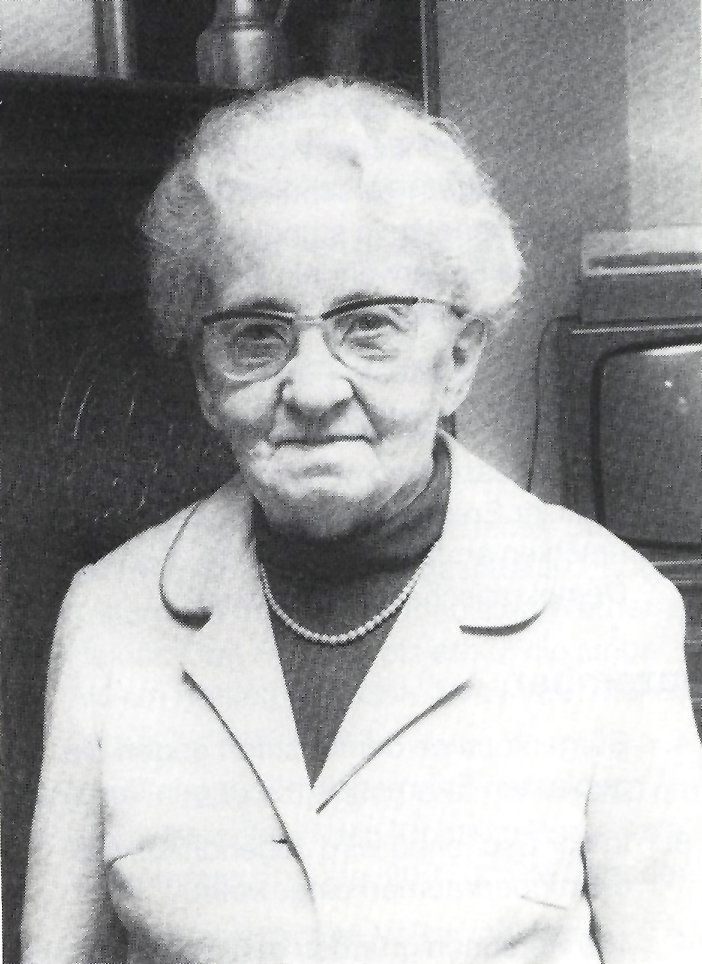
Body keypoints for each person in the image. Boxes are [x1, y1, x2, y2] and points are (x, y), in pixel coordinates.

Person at [22, 78, 702, 964]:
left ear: (459, 358)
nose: (311, 388)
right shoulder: (110, 618)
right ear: (203, 379)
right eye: (256, 334)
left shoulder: (609, 614)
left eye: (369, 325)